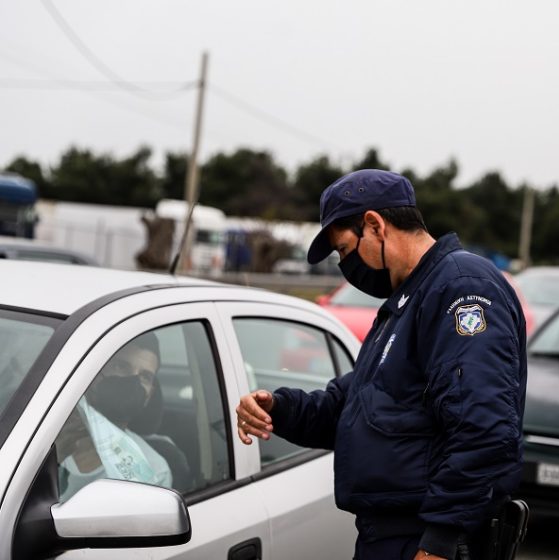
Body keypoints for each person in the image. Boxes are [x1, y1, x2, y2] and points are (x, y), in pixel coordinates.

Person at [236, 169, 528, 560]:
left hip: (426, 537)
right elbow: (359, 404)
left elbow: (485, 426)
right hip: (392, 534)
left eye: (343, 250)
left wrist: (440, 540)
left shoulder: (460, 287)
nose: (346, 264)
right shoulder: (408, 299)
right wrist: (279, 407)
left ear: (374, 225)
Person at [56, 332, 174, 500]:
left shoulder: (153, 471)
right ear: (94, 372)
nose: (133, 382)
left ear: (150, 394)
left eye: (145, 377)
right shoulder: (45, 432)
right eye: (121, 367)